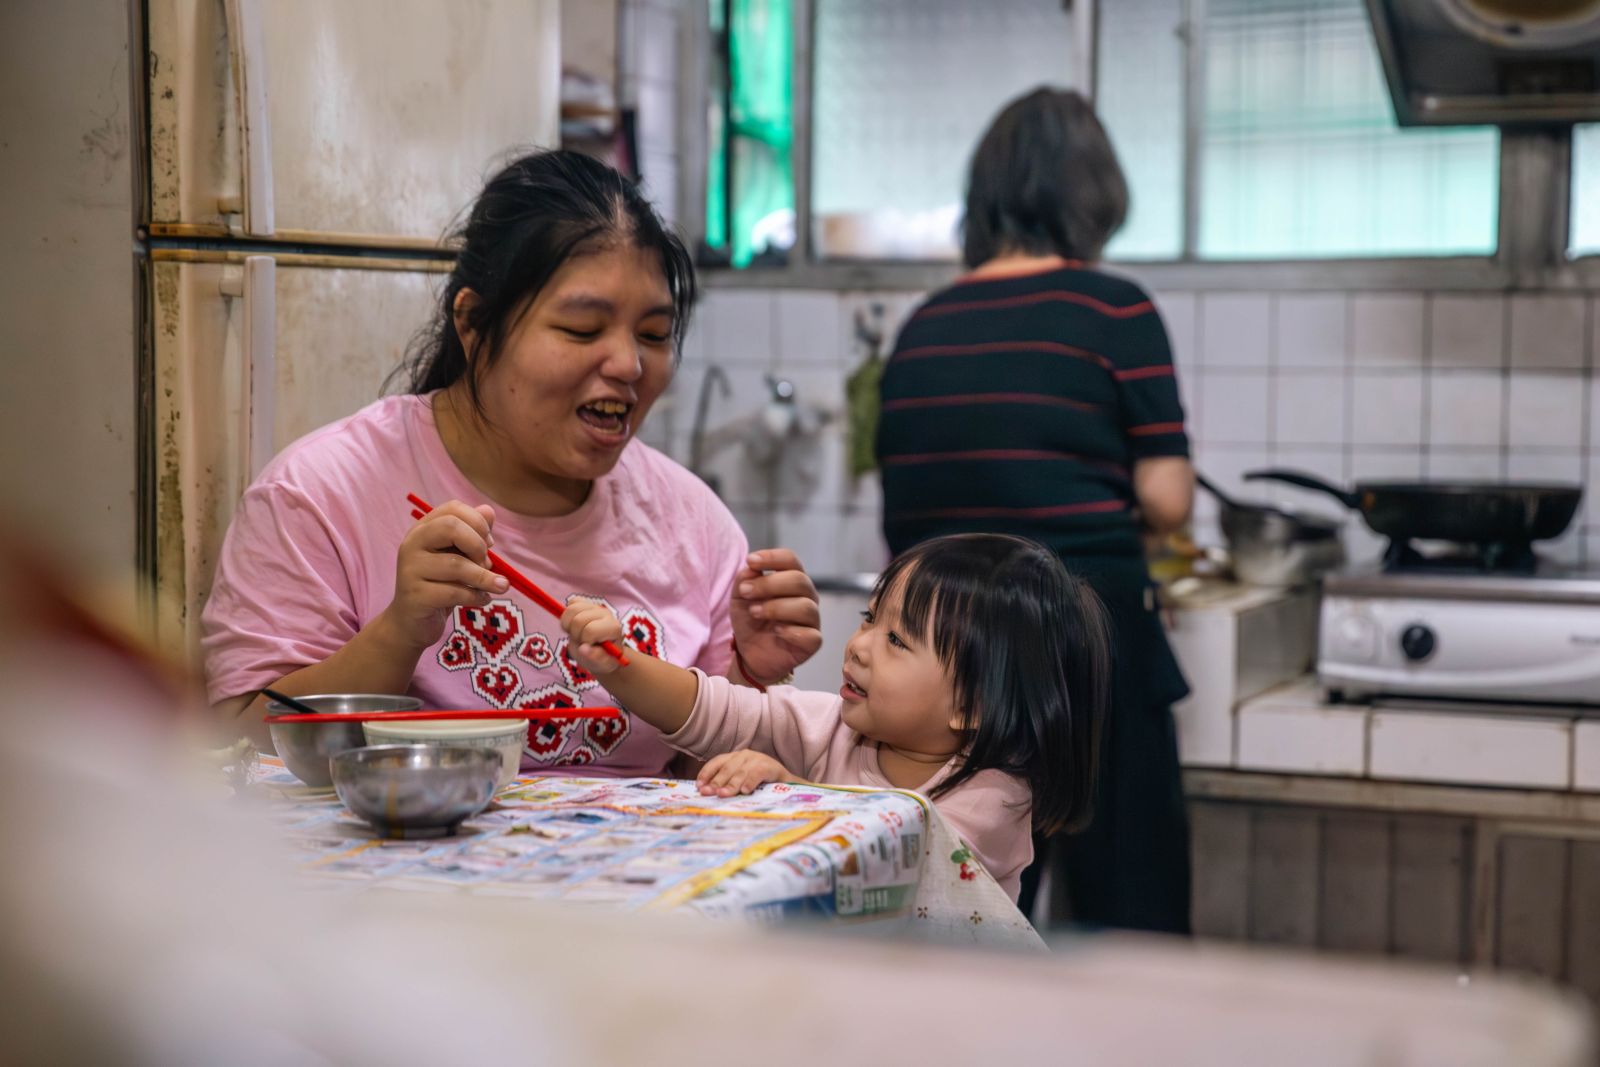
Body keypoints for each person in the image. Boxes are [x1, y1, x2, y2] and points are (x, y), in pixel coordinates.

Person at [202, 149, 821, 777]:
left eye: (655, 335)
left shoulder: (695, 523)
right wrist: (400, 631)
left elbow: (710, 786)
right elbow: (244, 742)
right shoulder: (320, 492)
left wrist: (753, 672)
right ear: (473, 325)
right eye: (583, 329)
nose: (629, 364)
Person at [876, 88, 1196, 933]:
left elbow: (903, 517)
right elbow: (1168, 499)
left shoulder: (921, 327)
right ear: (1093, 196)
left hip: (950, 663)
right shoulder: (1115, 310)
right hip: (1087, 646)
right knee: (1130, 917)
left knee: (960, 910)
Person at [559, 533, 1110, 901]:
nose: (859, 646)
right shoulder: (836, 727)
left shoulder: (996, 795)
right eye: (870, 618)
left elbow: (896, 849)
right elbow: (714, 708)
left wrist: (791, 791)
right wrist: (621, 666)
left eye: (896, 639)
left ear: (972, 706)